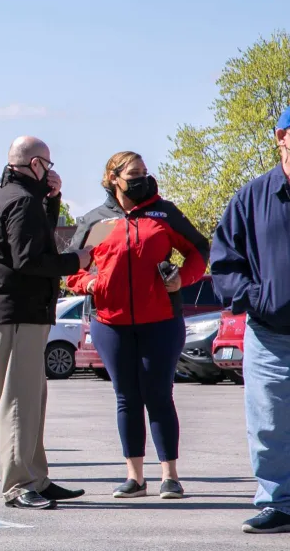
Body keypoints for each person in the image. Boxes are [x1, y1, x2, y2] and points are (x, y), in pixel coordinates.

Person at [67, 152, 208, 500]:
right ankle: (135, 477)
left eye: (145, 172)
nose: (142, 178)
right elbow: (71, 267)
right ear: (113, 177)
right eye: (134, 173)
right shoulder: (95, 221)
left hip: (160, 321)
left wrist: (183, 279)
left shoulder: (164, 212)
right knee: (126, 398)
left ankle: (170, 476)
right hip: (110, 324)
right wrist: (87, 284)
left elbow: (200, 249)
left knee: (159, 395)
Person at [0, 136, 91, 509]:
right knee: (17, 402)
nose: (52, 172)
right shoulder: (22, 201)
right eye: (49, 165)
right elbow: (29, 259)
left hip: (14, 312)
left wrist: (52, 200)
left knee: (30, 400)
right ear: (37, 164)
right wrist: (78, 261)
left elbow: (34, 240)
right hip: (17, 313)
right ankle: (19, 483)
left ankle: (35, 477)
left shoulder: (7, 196)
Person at [211, 106, 290, 534]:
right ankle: (278, 503)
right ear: (281, 136)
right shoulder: (252, 198)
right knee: (270, 425)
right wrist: (257, 297)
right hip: (271, 335)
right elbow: (224, 264)